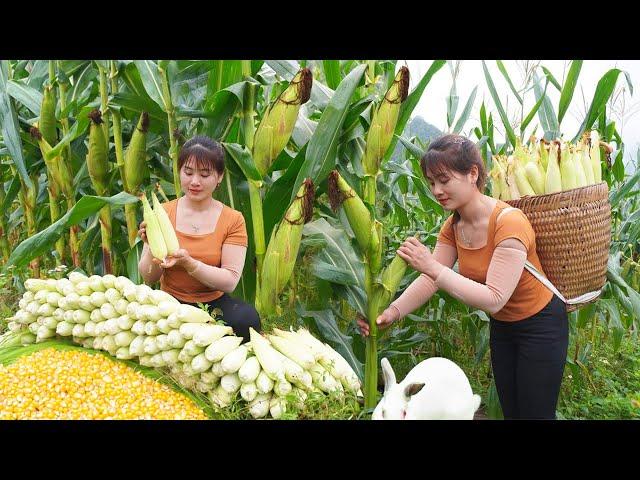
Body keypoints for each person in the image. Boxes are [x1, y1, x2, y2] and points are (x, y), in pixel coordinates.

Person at [357, 134, 568, 420]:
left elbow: (494, 298)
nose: (437, 190)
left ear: (472, 174)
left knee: (536, 415)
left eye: (444, 180)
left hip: (541, 325)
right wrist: (392, 313)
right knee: (513, 411)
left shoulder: (509, 222)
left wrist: (430, 266)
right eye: (431, 182)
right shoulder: (453, 226)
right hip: (504, 328)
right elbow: (431, 281)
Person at [138, 135, 260, 342]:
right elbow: (149, 277)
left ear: (219, 177)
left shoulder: (233, 220)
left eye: (204, 174)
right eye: (188, 172)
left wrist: (190, 264)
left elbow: (229, 281)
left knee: (247, 320)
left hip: (212, 305)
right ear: (179, 172)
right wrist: (150, 246)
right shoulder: (162, 213)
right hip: (169, 302)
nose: (195, 181)